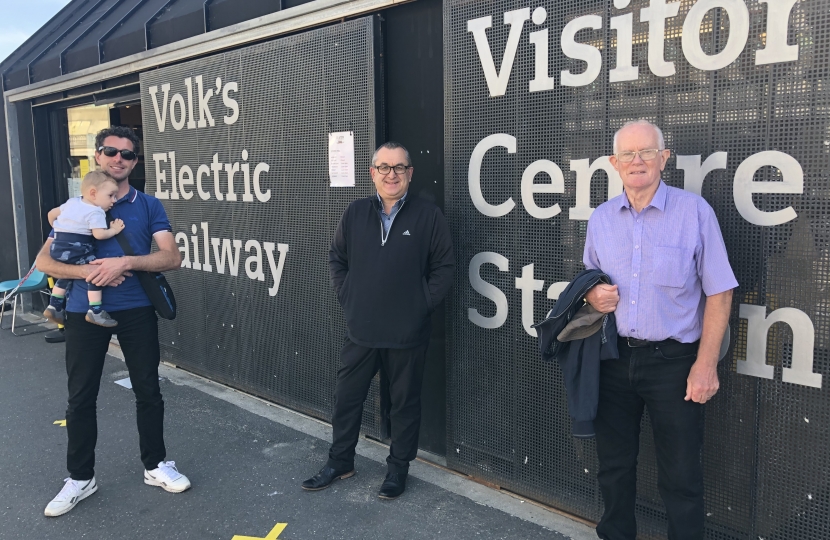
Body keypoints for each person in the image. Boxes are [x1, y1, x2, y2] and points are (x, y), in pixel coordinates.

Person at [583, 119, 737, 540]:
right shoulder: (600, 219)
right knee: (613, 468)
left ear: (663, 158)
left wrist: (706, 365)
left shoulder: (694, 214)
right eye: (628, 155)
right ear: (614, 163)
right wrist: (593, 297)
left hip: (675, 364)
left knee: (681, 475)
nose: (637, 161)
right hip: (614, 360)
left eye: (647, 152)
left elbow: (720, 293)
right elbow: (589, 285)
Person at [35, 126, 190, 517]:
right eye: (111, 151)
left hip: (136, 309)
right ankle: (80, 478)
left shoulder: (149, 205)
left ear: (136, 162)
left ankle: (155, 465)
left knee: (148, 390)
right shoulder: (74, 207)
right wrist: (88, 273)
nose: (119, 159)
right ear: (98, 157)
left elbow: (171, 257)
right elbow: (45, 262)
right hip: (81, 312)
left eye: (128, 154)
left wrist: (126, 261)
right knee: (81, 396)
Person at [302, 141, 455, 500]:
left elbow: (445, 268)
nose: (391, 174)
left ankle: (397, 470)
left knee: (404, 404)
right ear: (372, 173)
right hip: (362, 328)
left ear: (410, 173)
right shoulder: (355, 213)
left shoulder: (428, 216)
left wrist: (421, 305)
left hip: (408, 331)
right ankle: (341, 461)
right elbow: (336, 259)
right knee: (347, 399)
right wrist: (349, 296)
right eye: (384, 167)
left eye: (399, 167)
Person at [43, 171, 125, 328]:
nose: (114, 200)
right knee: (95, 274)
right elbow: (99, 234)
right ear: (93, 193)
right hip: (77, 248)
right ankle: (95, 311)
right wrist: (114, 230)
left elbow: (51, 214)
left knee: (66, 275)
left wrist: (59, 228)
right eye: (110, 195)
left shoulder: (72, 202)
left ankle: (54, 305)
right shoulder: (96, 211)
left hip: (58, 247)